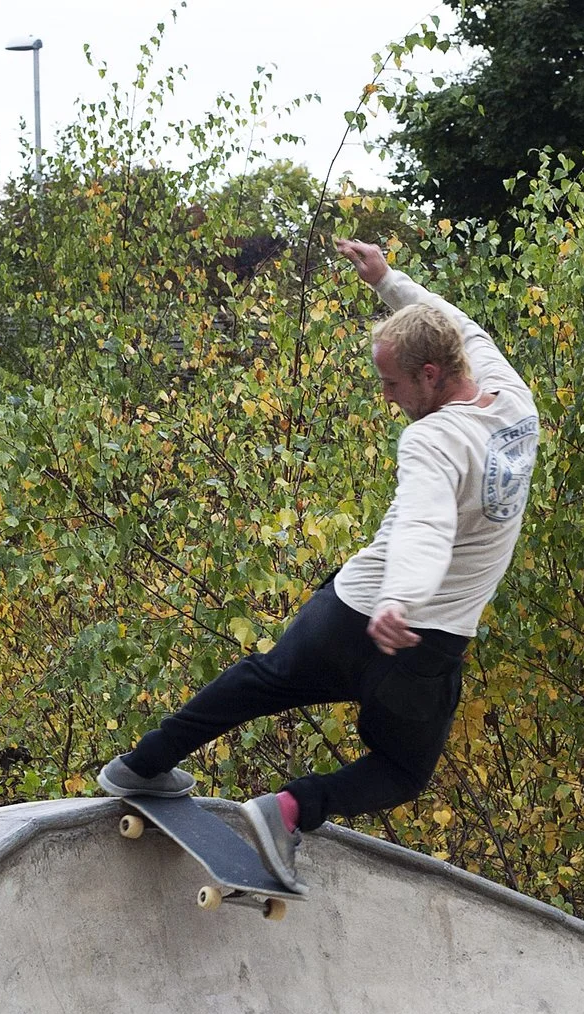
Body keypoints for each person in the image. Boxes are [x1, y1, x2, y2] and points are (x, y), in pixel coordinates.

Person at [95, 238, 540, 894]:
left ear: (429, 375)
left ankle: (142, 764)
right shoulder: (510, 394)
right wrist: (387, 280)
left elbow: (426, 522)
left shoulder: (433, 439)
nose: (388, 399)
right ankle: (291, 811)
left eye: (391, 384)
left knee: (262, 678)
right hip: (420, 643)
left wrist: (400, 594)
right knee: (401, 771)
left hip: (359, 610)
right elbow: (447, 315)